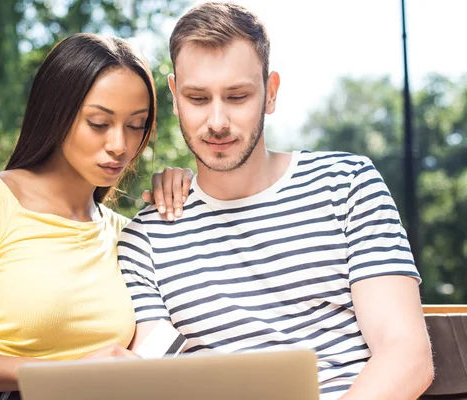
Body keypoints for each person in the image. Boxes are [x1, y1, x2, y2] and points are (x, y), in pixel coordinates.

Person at [118, 3, 434, 400]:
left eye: (236, 96)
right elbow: (160, 376)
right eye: (197, 98)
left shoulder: (347, 185)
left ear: (270, 93)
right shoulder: (144, 241)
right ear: (175, 97)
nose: (217, 121)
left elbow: (406, 355)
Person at [0, 33, 190, 400]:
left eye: (135, 126)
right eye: (98, 123)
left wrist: (191, 193)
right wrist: (66, 375)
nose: (119, 145)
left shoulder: (126, 235)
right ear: (56, 113)